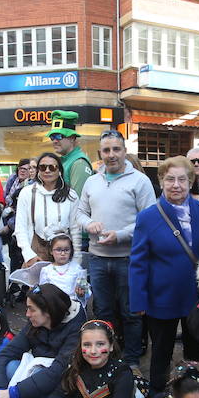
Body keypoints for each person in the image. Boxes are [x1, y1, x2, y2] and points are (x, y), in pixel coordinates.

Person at [130, 156, 199, 394]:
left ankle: (197, 394)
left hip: (196, 297)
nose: (176, 185)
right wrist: (139, 300)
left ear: (191, 181)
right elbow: (138, 262)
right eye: (170, 179)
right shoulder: (148, 216)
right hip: (161, 297)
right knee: (161, 352)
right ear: (161, 181)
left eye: (182, 179)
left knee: (195, 352)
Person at [76, 131, 156, 369]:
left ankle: (131, 361)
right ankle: (108, 359)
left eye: (116, 149)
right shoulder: (92, 181)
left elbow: (149, 219)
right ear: (100, 153)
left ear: (124, 150)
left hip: (128, 259)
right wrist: (89, 223)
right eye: (106, 150)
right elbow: (79, 212)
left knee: (131, 314)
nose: (111, 155)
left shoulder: (140, 181)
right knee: (102, 312)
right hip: (98, 259)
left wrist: (120, 235)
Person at [16, 152, 82, 267]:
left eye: (52, 167)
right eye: (42, 167)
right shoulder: (27, 193)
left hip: (64, 255)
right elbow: (20, 228)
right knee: (39, 285)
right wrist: (29, 255)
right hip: (37, 255)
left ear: (59, 170)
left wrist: (76, 260)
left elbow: (75, 229)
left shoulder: (71, 195)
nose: (47, 171)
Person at [39, 234, 90, 304]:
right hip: (53, 306)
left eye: (66, 250)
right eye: (58, 250)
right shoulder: (46, 270)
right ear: (51, 251)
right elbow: (43, 291)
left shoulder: (77, 268)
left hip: (73, 305)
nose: (63, 253)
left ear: (71, 250)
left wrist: (82, 293)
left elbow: (85, 291)